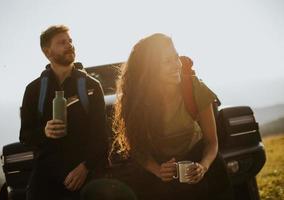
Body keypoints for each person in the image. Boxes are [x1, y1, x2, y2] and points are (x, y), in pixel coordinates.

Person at [111, 33, 232, 200]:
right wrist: (158, 170)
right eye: (167, 61)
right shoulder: (136, 101)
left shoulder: (194, 87)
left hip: (204, 170)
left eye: (176, 58)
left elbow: (212, 142)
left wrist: (203, 167)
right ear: (151, 68)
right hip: (164, 177)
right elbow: (138, 148)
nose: (176, 65)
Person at [19, 25, 108, 200]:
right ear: (47, 52)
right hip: (46, 182)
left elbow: (101, 135)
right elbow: (25, 136)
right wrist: (45, 132)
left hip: (84, 177)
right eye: (62, 42)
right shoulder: (33, 90)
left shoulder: (91, 86)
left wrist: (85, 167)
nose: (69, 45)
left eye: (70, 41)